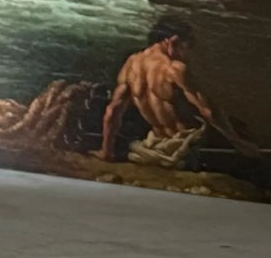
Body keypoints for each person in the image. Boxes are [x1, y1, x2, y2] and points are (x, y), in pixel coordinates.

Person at [99, 23, 255, 163]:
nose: (186, 52)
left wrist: (107, 151)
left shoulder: (131, 64)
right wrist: (238, 142)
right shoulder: (174, 68)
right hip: (185, 146)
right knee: (239, 130)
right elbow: (207, 110)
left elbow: (113, 110)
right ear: (173, 40)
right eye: (187, 45)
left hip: (154, 142)